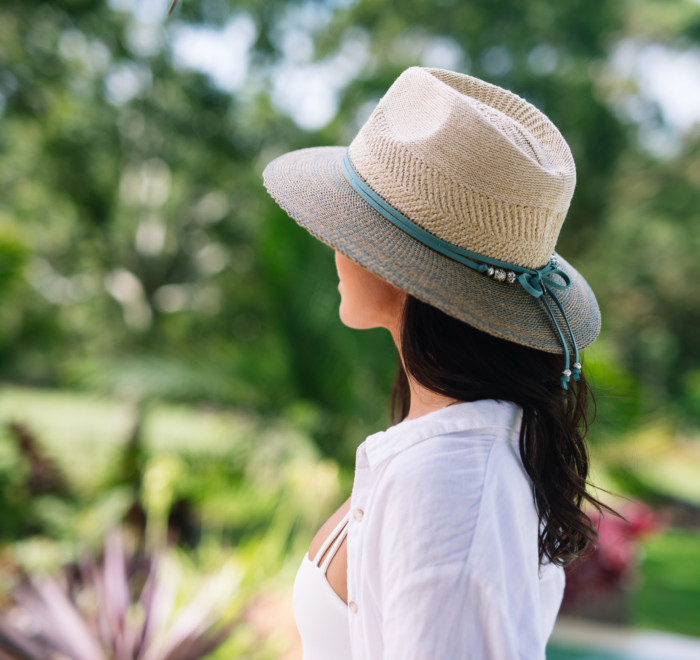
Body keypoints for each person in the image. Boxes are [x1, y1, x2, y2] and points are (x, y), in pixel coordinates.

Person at [263, 67, 609, 659]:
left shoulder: (450, 482)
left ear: (399, 266)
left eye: (353, 225)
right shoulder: (450, 449)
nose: (336, 246)